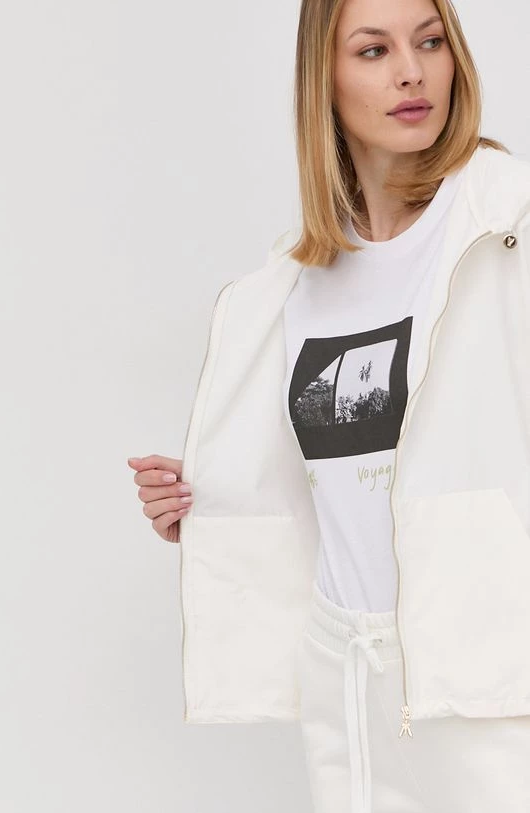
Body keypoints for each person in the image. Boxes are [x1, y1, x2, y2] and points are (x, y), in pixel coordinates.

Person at [128, 0, 530, 810]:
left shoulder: (505, 227)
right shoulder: (291, 280)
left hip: (488, 676)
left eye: (430, 42)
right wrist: (208, 498)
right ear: (325, 78)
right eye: (374, 51)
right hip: (345, 678)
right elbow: (328, 482)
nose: (411, 72)